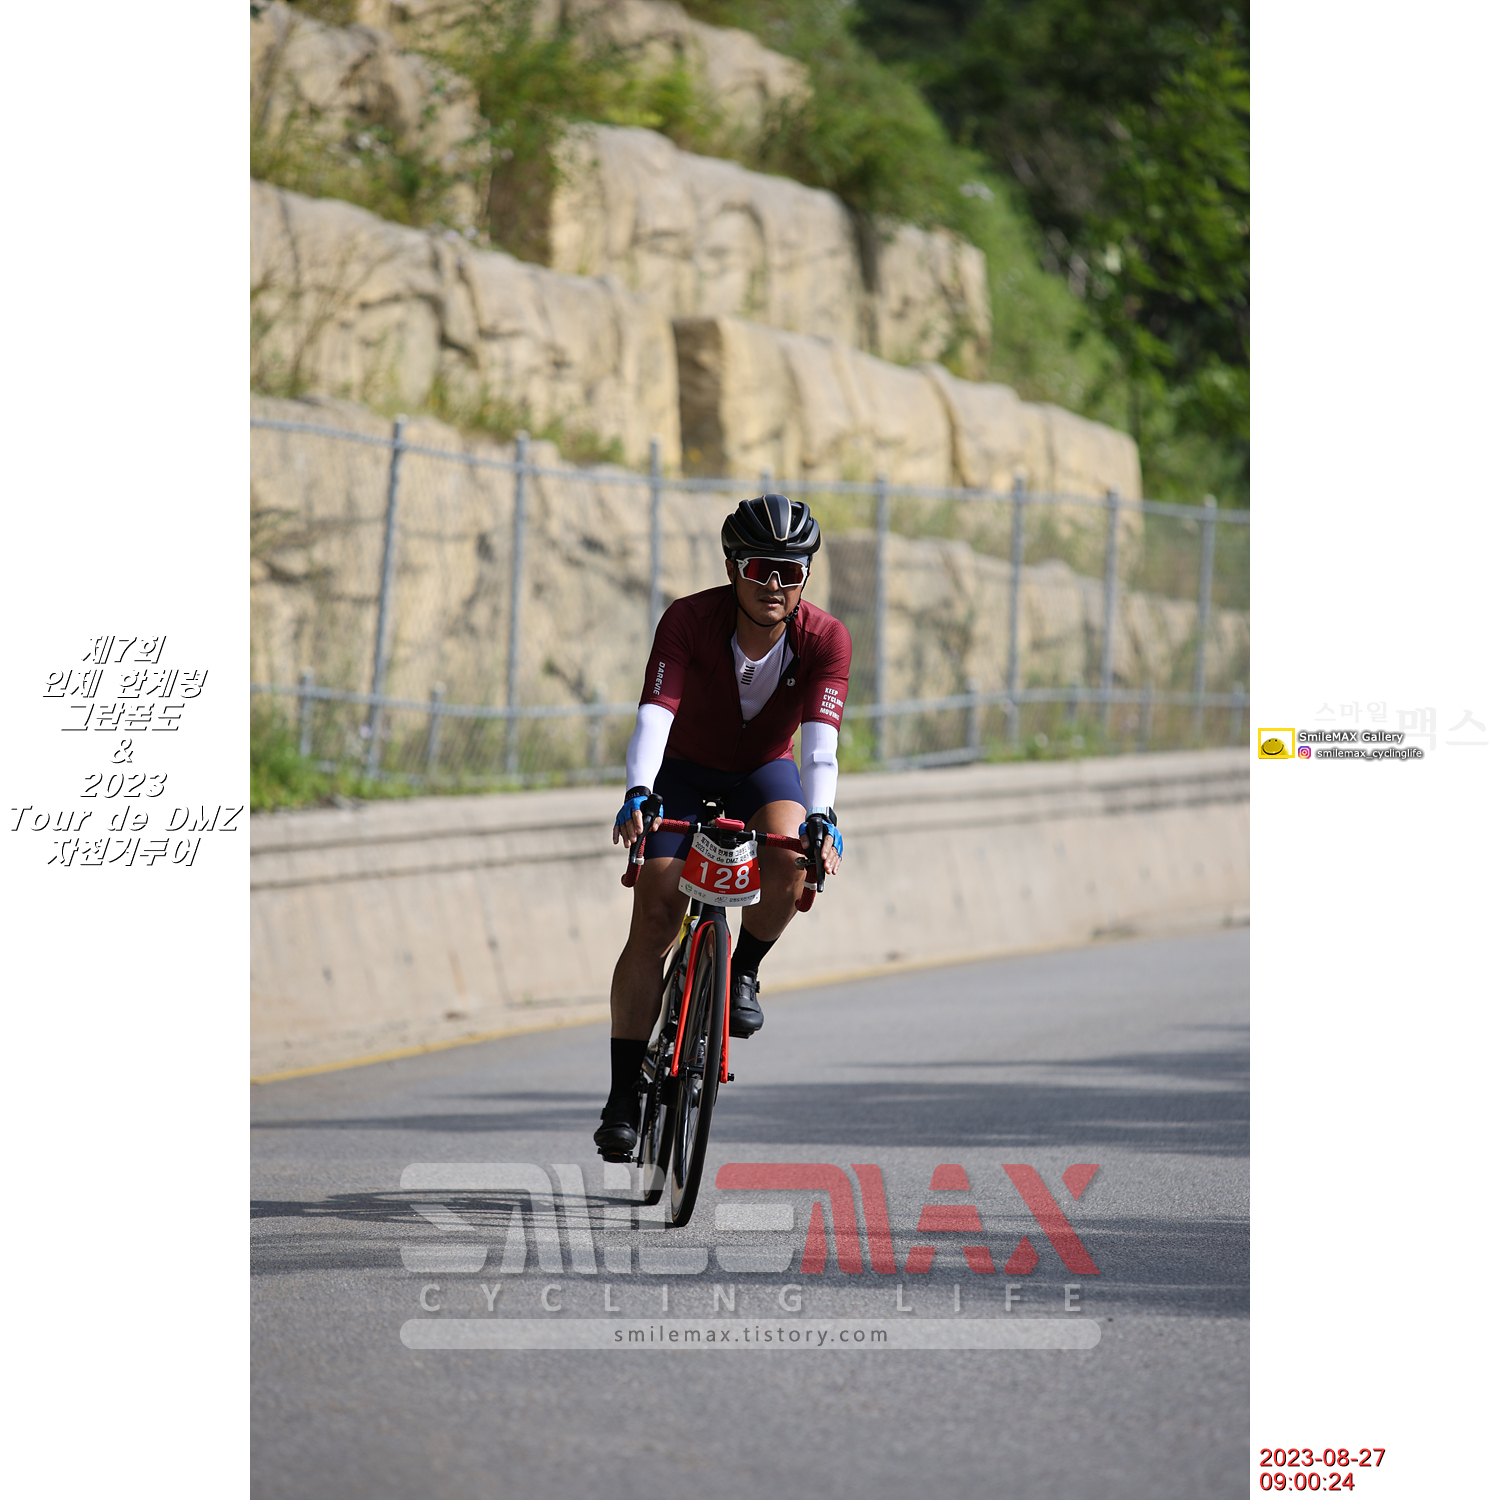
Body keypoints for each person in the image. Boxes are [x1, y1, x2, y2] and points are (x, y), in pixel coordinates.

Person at [594, 494, 851, 1161]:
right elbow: (654, 715)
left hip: (763, 771)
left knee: (791, 862)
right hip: (681, 771)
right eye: (761, 567)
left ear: (806, 577)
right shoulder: (688, 619)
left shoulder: (825, 639)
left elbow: (821, 746)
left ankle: (743, 971)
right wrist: (639, 790)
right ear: (735, 566)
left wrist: (821, 817)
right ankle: (623, 1095)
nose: (775, 585)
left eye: (791, 572)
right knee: (656, 910)